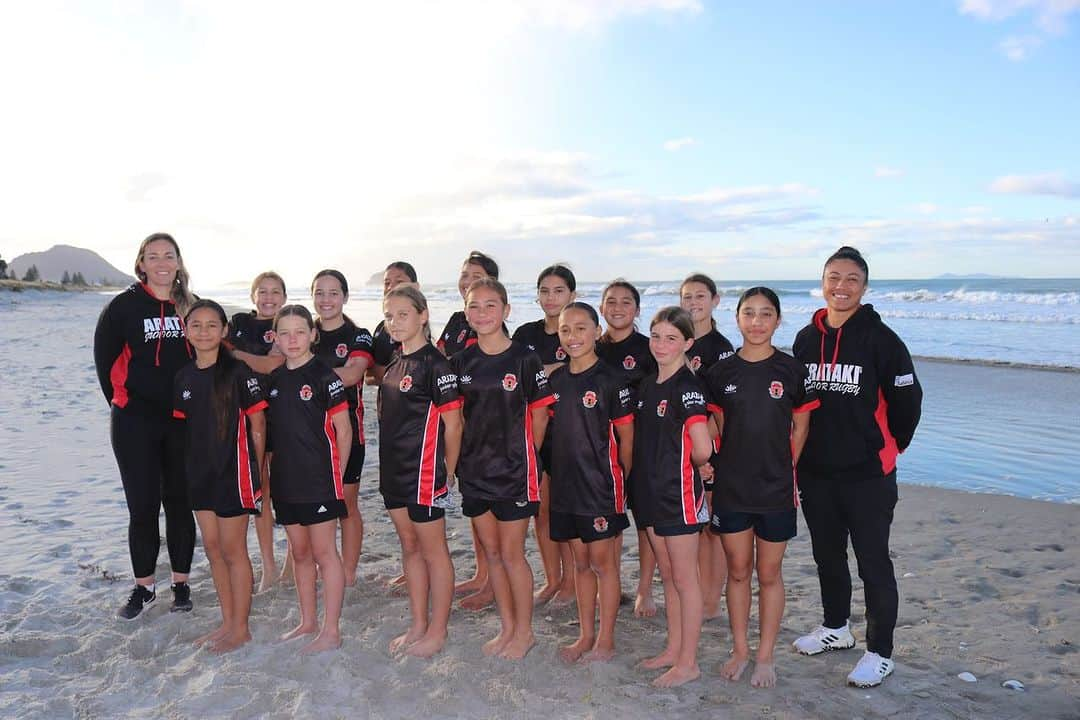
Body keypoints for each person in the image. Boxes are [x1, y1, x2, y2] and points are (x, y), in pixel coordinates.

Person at [791, 246, 922, 688]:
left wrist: (889, 450)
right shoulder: (806, 340)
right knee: (827, 555)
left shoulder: (883, 341)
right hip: (816, 472)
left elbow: (908, 402)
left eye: (851, 278)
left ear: (864, 287)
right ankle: (836, 629)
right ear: (823, 282)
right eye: (833, 277)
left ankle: (880, 652)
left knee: (873, 564)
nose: (841, 286)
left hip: (868, 474)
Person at [703, 288, 819, 687]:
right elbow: (715, 429)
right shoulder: (720, 373)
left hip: (776, 490)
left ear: (777, 321)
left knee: (769, 572)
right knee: (738, 571)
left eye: (765, 314)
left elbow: (801, 425)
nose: (756, 321)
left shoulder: (791, 370)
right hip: (732, 488)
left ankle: (766, 655)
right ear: (737, 319)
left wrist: (788, 468)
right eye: (749, 313)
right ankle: (740, 649)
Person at [93, 232, 197, 620]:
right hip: (134, 423)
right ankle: (144, 588)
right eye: (153, 256)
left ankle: (181, 584)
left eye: (168, 255)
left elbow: (208, 357)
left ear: (178, 262)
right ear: (141, 264)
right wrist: (128, 405)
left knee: (180, 505)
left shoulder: (192, 307)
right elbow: (104, 363)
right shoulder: (123, 307)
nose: (161, 262)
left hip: (181, 423)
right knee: (142, 508)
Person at [450, 278, 555, 660]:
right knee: (491, 554)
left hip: (514, 471)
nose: (482, 313)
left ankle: (525, 632)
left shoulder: (524, 358)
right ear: (466, 313)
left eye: (490, 306)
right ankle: (507, 627)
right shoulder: (460, 361)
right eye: (475, 307)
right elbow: (457, 418)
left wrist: (524, 455)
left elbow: (540, 416)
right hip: (475, 471)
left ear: (506, 311)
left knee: (512, 554)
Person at [173, 300, 267, 653]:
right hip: (200, 474)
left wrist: (257, 472)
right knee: (213, 549)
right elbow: (186, 429)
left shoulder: (238, 372)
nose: (204, 332)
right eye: (196, 325)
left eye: (212, 325)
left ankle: (241, 628)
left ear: (224, 330)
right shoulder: (183, 377)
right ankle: (227, 622)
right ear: (186, 331)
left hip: (235, 473)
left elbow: (258, 424)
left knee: (233, 550)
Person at [629, 307, 714, 687]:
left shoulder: (688, 386)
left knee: (685, 579)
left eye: (672, 338)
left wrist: (697, 466)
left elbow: (702, 447)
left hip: (678, 494)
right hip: (650, 492)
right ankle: (673, 649)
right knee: (668, 576)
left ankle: (689, 663)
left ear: (688, 344)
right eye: (656, 336)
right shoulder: (649, 385)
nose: (661, 344)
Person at [378, 285, 463, 658]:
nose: (395, 323)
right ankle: (417, 623)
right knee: (409, 547)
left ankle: (438, 630)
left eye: (403, 315)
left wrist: (450, 471)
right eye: (389, 316)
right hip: (393, 472)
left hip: (425, 473)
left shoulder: (436, 365)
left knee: (434, 551)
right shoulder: (395, 364)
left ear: (423, 315)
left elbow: (455, 425)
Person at [547, 302, 634, 663]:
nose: (573, 336)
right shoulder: (554, 381)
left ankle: (606, 639)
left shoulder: (613, 381)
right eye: (566, 330)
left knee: (603, 564)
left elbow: (627, 440)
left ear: (597, 332)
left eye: (581, 328)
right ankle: (585, 635)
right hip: (565, 488)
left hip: (601, 488)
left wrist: (622, 484)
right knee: (580, 563)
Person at [266, 305, 352, 654]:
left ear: (312, 335)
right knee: (300, 554)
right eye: (284, 333)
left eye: (299, 332)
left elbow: (344, 432)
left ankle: (331, 630)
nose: (292, 339)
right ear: (275, 338)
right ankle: (308, 621)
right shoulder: (274, 381)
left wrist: (337, 477)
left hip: (320, 481)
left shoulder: (324, 377)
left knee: (324, 553)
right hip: (286, 482)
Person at [436, 251, 499, 608]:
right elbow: (442, 362)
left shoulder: (489, 324)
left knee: (489, 512)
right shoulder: (458, 320)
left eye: (475, 275)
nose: (466, 281)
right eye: (464, 275)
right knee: (474, 509)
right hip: (458, 423)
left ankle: (491, 582)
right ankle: (480, 573)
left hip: (485, 428)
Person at [512, 263, 576, 606]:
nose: (551, 298)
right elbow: (519, 380)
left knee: (566, 512)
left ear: (572, 295)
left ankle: (571, 583)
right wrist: (553, 370)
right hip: (535, 431)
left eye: (559, 291)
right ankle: (553, 580)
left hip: (572, 434)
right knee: (543, 512)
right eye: (545, 291)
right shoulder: (525, 334)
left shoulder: (577, 330)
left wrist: (543, 371)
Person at [597, 279, 659, 619]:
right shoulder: (593, 347)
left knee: (644, 522)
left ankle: (645, 589)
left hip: (643, 446)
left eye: (625, 302)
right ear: (602, 308)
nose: (618, 307)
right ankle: (613, 584)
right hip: (602, 449)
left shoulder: (650, 348)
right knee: (611, 521)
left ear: (636, 310)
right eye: (611, 302)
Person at [310, 270, 373, 587]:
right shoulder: (304, 331)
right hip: (307, 434)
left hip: (348, 433)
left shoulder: (359, 335)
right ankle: (321, 564)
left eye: (333, 293)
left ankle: (347, 570)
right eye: (319, 293)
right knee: (313, 504)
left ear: (345, 297)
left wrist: (305, 374)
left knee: (347, 505)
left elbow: (352, 375)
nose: (326, 299)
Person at [679, 272, 735, 619]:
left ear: (715, 300)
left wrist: (706, 448)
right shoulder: (677, 343)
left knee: (713, 528)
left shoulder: (721, 348)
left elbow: (724, 409)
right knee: (697, 527)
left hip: (711, 449)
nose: (693, 303)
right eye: (687, 297)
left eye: (700, 296)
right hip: (682, 450)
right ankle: (701, 591)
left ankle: (712, 600)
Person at [228, 271, 287, 592]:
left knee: (289, 490)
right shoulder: (238, 321)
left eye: (275, 292)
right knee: (260, 490)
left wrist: (238, 354)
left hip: (285, 412)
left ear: (285, 297)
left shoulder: (289, 323)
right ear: (252, 296)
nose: (268, 297)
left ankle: (294, 561)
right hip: (250, 414)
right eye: (262, 291)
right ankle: (269, 566)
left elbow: (270, 366)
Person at [438, 251, 498, 357]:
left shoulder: (490, 321)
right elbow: (439, 352)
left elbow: (473, 360)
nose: (468, 282)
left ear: (492, 282)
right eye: (464, 275)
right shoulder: (456, 318)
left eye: (476, 277)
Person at [368, 261, 418, 385]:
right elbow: (368, 378)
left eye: (399, 282)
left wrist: (379, 372)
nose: (391, 287)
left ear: (415, 286)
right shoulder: (382, 327)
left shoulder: (417, 325)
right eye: (387, 283)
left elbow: (416, 375)